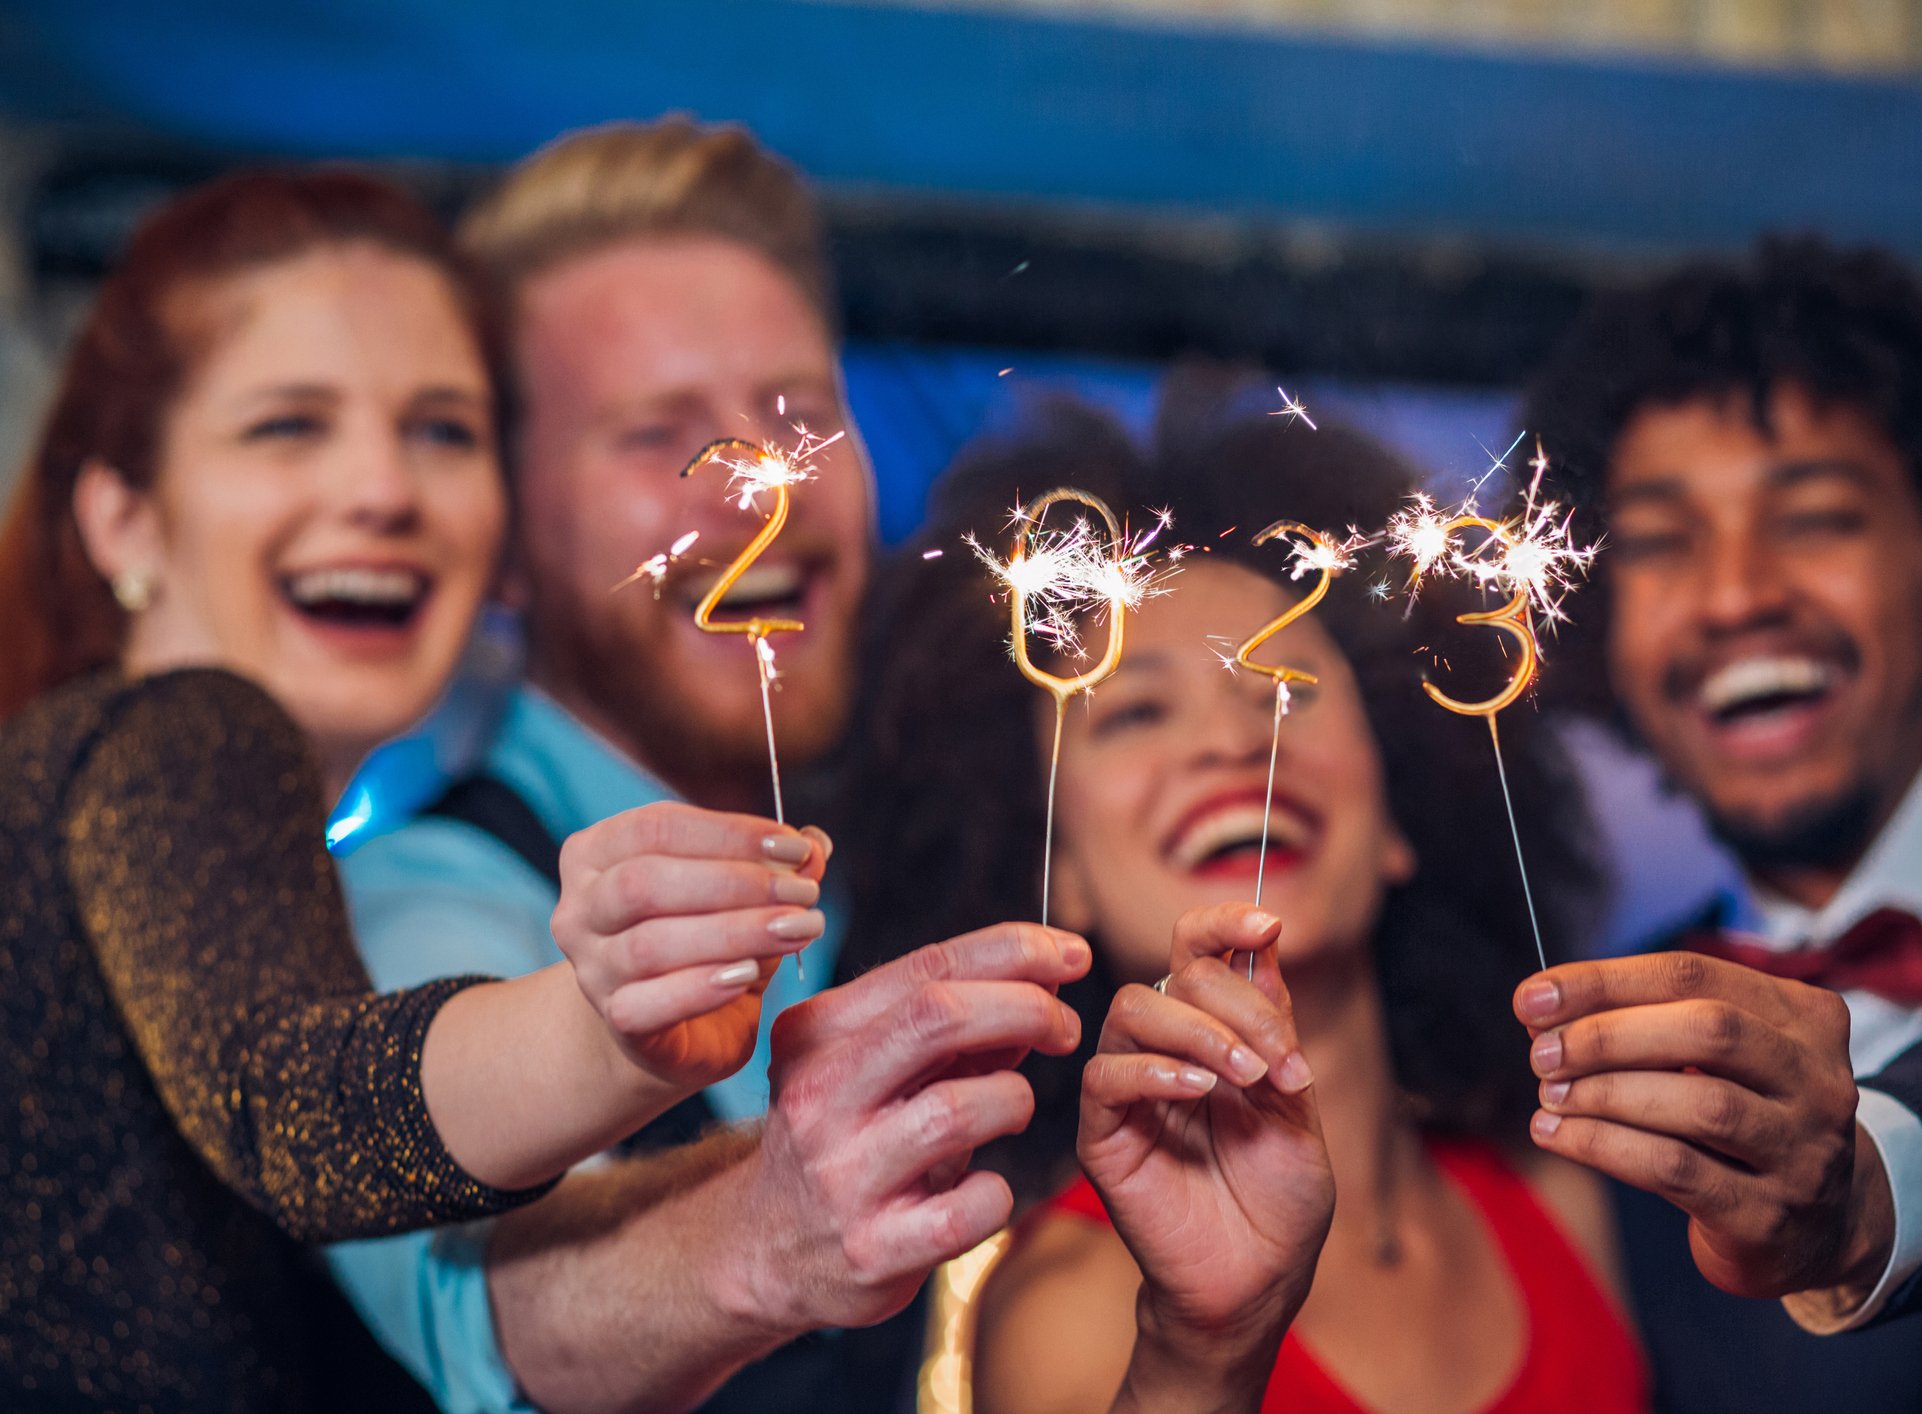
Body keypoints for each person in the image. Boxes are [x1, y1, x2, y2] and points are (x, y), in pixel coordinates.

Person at [0, 169, 848, 1411]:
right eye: (287, 424)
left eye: (441, 429)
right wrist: (607, 1024)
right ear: (124, 518)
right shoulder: (181, 733)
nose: (383, 490)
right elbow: (292, 1102)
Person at [324, 119, 1089, 1414]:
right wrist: (762, 1224)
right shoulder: (420, 901)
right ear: (502, 538)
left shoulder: (938, 847)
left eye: (798, 419)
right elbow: (491, 1309)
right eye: (654, 434)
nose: (760, 494)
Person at [837, 398, 1648, 1413]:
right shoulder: (1068, 1308)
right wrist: (1201, 1354)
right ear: (1058, 872)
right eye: (1135, 710)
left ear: (1402, 812)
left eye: (1286, 690)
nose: (1232, 745)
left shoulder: (1562, 1200)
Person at [1509, 236, 1922, 1409]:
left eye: (1817, 518)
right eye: (1659, 543)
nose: (1736, 593)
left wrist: (1866, 1185)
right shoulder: (1588, 1046)